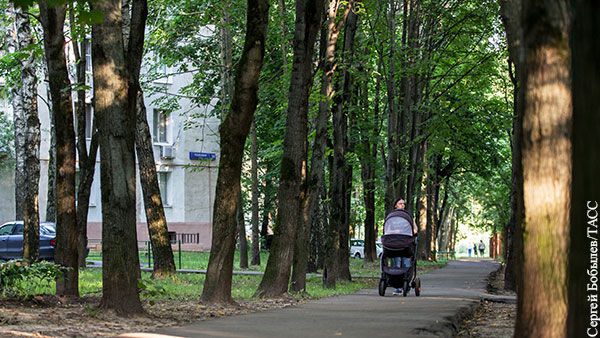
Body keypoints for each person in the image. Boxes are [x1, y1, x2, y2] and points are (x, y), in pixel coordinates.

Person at [390, 198, 418, 295]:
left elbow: (415, 228)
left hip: (406, 244)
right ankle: (398, 287)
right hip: (395, 244)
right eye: (400, 203)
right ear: (395, 205)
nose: (402, 205)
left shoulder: (408, 216)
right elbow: (388, 229)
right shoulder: (392, 217)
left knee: (406, 264)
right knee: (397, 265)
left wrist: (414, 231)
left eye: (403, 204)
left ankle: (406, 285)